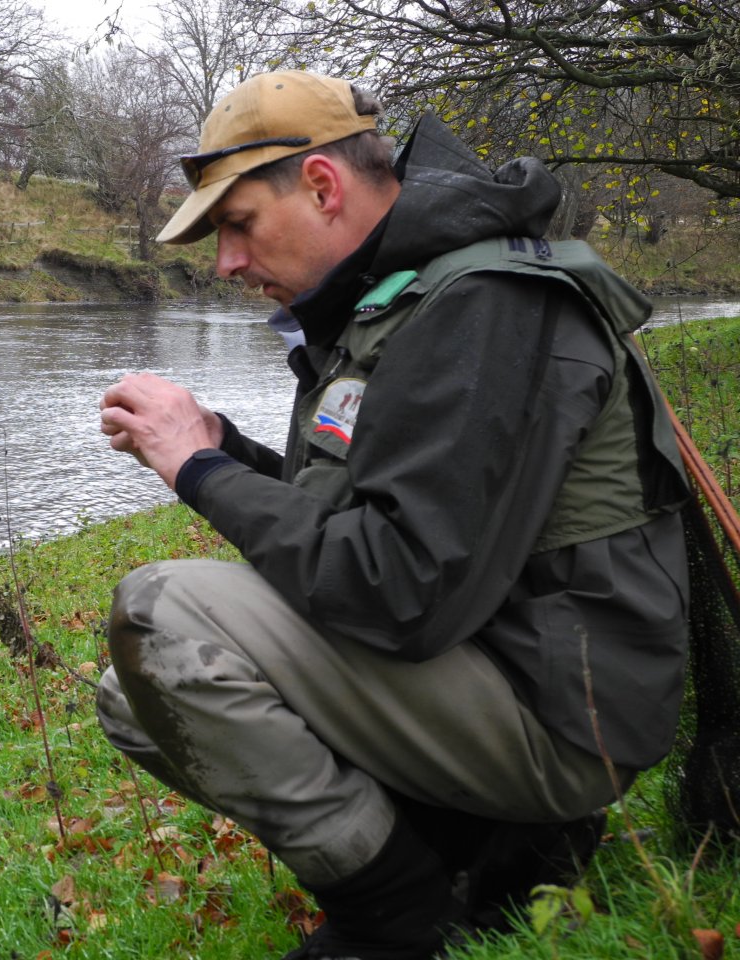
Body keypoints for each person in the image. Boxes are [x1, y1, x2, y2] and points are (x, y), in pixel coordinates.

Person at [95, 71, 691, 960]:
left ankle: (399, 920)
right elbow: (368, 521)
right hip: (492, 669)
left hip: (567, 723)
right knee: (132, 701)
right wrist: (232, 448)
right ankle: (490, 851)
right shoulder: (402, 297)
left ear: (323, 188)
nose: (225, 263)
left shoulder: (483, 306)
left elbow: (396, 590)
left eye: (238, 224)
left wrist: (201, 467)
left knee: (162, 616)